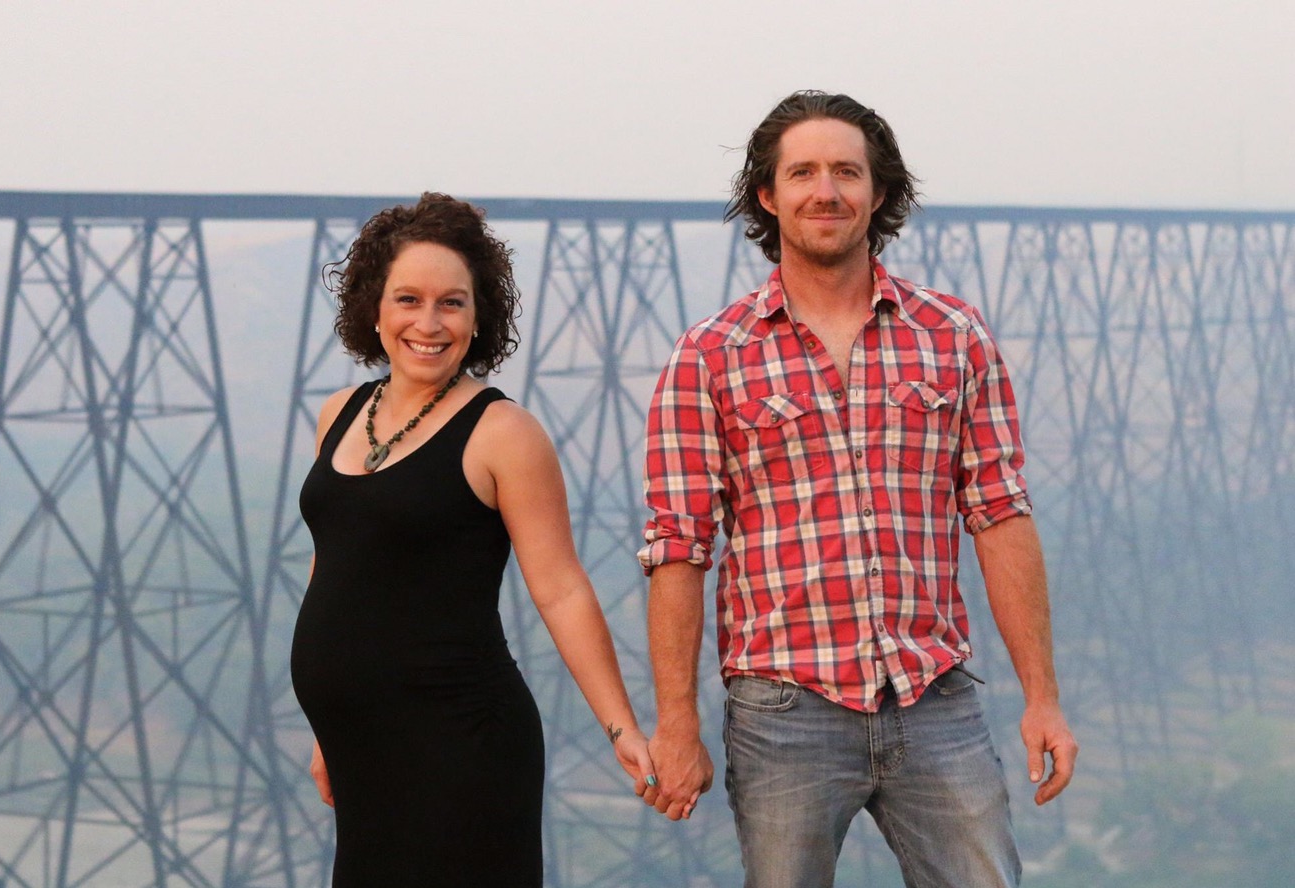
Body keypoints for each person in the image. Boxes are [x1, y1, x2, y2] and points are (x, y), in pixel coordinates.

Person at [636, 91, 1078, 887]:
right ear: (768, 196)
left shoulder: (953, 334)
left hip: (933, 695)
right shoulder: (708, 356)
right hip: (784, 711)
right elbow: (678, 547)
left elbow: (1000, 515)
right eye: (802, 172)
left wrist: (1042, 698)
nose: (825, 190)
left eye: (847, 171)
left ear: (879, 193)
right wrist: (676, 723)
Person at [290, 193, 654, 887]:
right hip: (358, 747)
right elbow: (336, 563)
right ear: (374, 308)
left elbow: (561, 589)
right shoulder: (340, 413)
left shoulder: (503, 433)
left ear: (479, 315)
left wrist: (621, 729)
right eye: (408, 299)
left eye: (452, 303)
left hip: (461, 746)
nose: (429, 323)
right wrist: (326, 727)